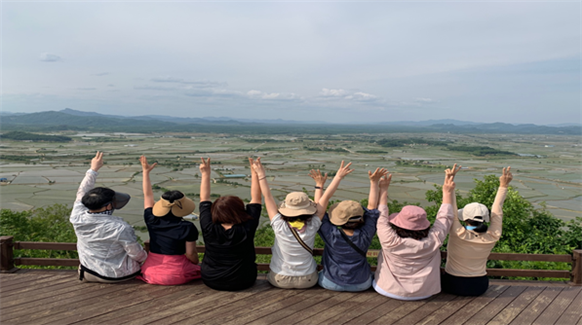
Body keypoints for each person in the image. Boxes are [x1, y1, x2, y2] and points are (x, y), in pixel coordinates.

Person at [251, 158, 354, 289]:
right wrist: (336, 177)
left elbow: (267, 196)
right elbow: (325, 199)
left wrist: (261, 174)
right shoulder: (312, 225)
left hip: (279, 280)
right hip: (308, 279)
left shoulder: (279, 225)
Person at [374, 164, 461, 300]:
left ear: (398, 225)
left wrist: (383, 189)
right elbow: (445, 217)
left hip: (388, 289)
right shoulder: (433, 240)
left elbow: (381, 216)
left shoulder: (390, 240)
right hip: (425, 292)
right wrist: (447, 191)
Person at [70, 151, 147, 283]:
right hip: (117, 276)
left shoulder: (77, 217)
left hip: (88, 273)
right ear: (108, 206)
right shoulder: (120, 228)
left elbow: (82, 192)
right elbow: (137, 255)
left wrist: (93, 170)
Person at [442, 167, 513, 296]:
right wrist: (503, 186)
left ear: (464, 217)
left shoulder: (458, 233)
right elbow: (497, 211)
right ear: (486, 218)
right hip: (479, 286)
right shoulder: (492, 236)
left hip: (452, 283)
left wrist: (449, 181)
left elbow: (451, 207)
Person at [315, 167, 388, 292]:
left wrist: (322, 185)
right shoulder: (366, 233)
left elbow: (320, 207)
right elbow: (371, 207)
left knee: (319, 274)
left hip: (330, 282)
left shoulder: (331, 234)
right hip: (361, 284)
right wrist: (374, 182)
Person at [198, 157, 262, 291]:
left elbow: (204, 199)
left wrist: (205, 174)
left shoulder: (208, 227)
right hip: (243, 280)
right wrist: (255, 172)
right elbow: (256, 198)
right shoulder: (247, 227)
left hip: (211, 279)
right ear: (240, 210)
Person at [137, 156, 201, 285]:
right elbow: (191, 254)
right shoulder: (187, 227)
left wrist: (145, 172)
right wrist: (195, 263)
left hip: (151, 272)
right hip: (178, 273)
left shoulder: (151, 220)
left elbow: (148, 195)